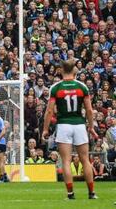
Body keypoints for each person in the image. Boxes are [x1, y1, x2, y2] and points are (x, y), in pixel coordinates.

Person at [42, 59, 97, 200]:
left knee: (66, 160)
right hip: (79, 124)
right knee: (85, 160)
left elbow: (49, 111)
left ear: (60, 71)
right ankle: (91, 193)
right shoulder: (81, 86)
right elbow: (89, 110)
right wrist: (91, 127)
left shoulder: (56, 88)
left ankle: (70, 194)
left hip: (64, 125)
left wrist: (45, 129)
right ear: (74, 70)